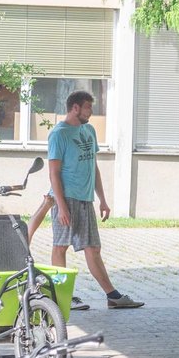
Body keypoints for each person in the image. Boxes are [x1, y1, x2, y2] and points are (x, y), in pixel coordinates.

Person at [48, 90, 143, 310]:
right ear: (75, 108)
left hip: (85, 199)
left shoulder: (89, 130)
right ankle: (62, 298)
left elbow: (93, 165)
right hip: (66, 198)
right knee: (60, 247)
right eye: (88, 107)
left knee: (93, 249)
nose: (92, 111)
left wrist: (102, 199)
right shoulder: (59, 134)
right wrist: (61, 207)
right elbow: (53, 173)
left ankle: (113, 296)